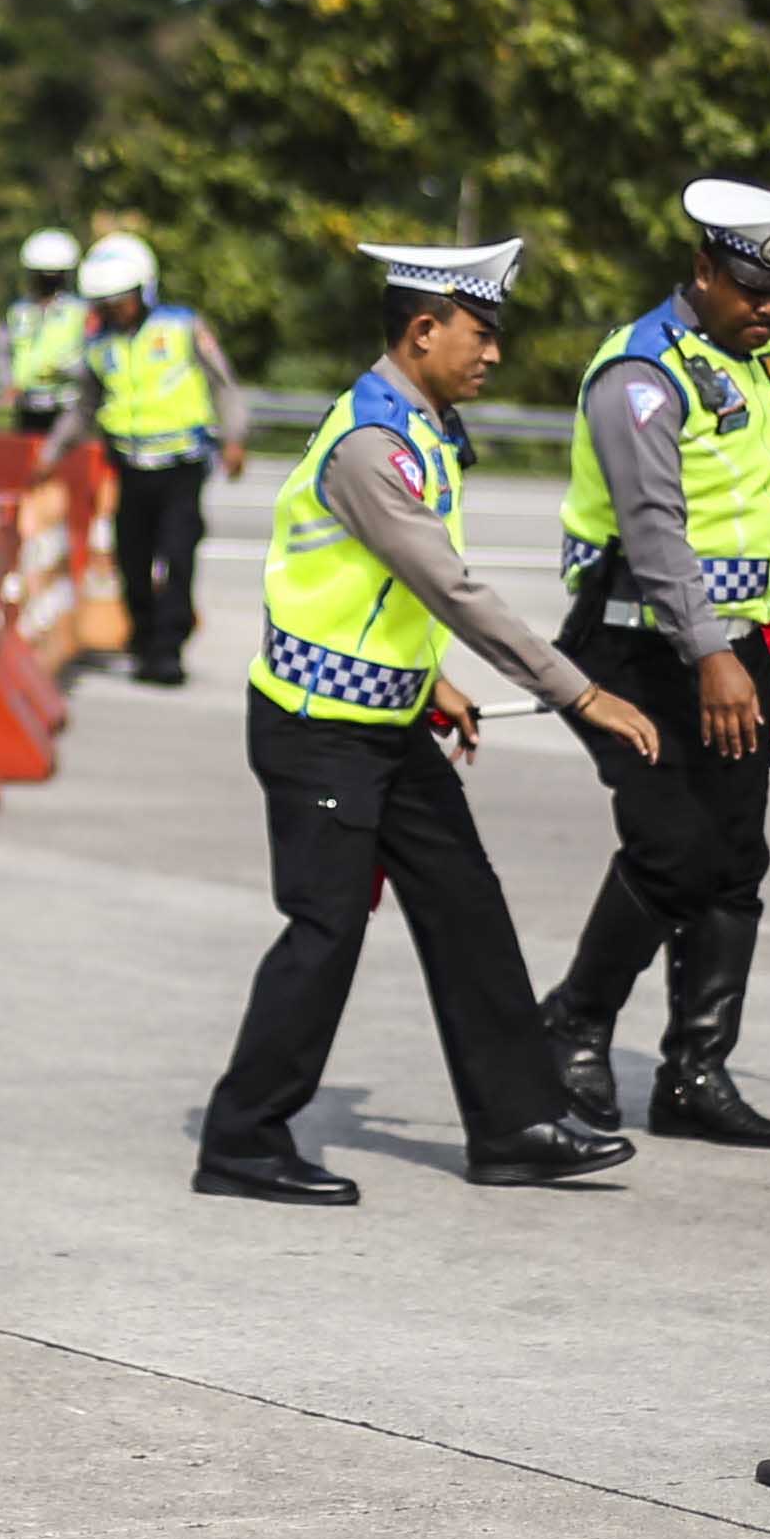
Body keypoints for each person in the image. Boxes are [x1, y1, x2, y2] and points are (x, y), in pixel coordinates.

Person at [196, 238, 666, 1205]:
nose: (494, 352)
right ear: (422, 331)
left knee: (466, 904)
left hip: (386, 719)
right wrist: (579, 692)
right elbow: (450, 587)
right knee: (325, 930)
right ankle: (243, 1138)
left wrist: (433, 679)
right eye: (479, 333)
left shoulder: (423, 425)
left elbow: (384, 592)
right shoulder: (373, 446)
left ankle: (515, 1125)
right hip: (320, 728)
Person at [535, 178, 770, 1149]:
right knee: (673, 847)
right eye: (752, 288)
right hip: (635, 647)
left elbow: (754, 499)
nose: (769, 307)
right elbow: (653, 529)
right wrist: (711, 651)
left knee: (734, 857)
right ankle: (571, 1026)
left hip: (730, 646)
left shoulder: (750, 363)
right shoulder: (640, 373)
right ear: (704, 269)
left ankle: (695, 1071)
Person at [37, 230, 247, 685]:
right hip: (130, 468)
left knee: (177, 556)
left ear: (144, 291)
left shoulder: (182, 328)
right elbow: (84, 408)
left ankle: (167, 650)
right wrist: (52, 452)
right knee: (131, 561)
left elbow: (223, 385)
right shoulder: (98, 346)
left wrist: (234, 438)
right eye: (106, 303)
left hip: (181, 466)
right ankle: (143, 637)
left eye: (121, 301)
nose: (115, 310)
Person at [0, 228, 89, 433]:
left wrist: (65, 368)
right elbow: (1, 350)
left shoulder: (80, 311)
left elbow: (92, 353)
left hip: (68, 405)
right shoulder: (18, 311)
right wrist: (8, 383)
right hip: (27, 406)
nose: (47, 284)